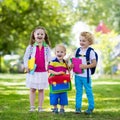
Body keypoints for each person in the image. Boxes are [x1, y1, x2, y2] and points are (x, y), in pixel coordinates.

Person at [23, 26, 51, 112]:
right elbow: (25, 57)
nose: (39, 35)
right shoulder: (30, 47)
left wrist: (50, 67)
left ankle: (40, 107)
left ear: (44, 36)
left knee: (41, 89)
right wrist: (26, 66)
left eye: (41, 34)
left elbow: (49, 59)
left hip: (43, 72)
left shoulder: (47, 48)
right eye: (38, 34)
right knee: (32, 89)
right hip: (33, 72)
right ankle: (32, 107)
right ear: (34, 35)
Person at [72, 32, 97, 115]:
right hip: (77, 75)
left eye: (84, 41)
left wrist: (85, 66)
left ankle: (91, 108)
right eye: (80, 40)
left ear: (89, 42)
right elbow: (74, 61)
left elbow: (94, 64)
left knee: (88, 91)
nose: (81, 42)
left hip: (86, 76)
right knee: (78, 92)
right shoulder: (77, 50)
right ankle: (78, 108)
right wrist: (71, 65)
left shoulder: (91, 52)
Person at [48, 44, 69, 114]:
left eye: (61, 52)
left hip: (63, 82)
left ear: (64, 54)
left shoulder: (65, 63)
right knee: (54, 95)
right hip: (54, 82)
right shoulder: (53, 61)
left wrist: (71, 66)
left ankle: (62, 109)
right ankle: (55, 108)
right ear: (55, 53)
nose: (59, 53)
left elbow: (68, 70)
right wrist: (57, 73)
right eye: (58, 52)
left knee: (63, 95)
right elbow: (49, 70)